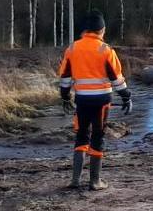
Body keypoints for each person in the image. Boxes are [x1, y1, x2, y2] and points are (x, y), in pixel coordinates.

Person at [56, 11, 131, 191]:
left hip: (82, 100)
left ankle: (75, 180)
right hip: (102, 101)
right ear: (102, 30)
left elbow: (65, 78)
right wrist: (126, 96)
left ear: (85, 30)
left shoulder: (72, 49)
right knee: (98, 136)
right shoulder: (106, 50)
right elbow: (117, 79)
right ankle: (95, 181)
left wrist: (65, 97)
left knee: (81, 135)